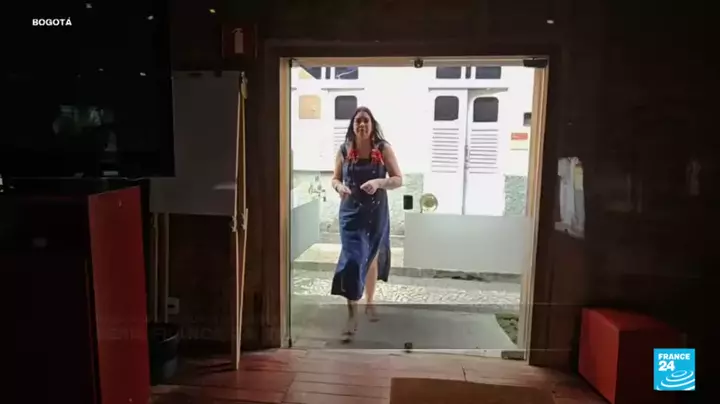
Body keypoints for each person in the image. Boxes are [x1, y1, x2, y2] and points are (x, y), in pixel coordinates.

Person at [330, 106, 403, 341]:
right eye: (358, 121)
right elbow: (335, 178)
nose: (362, 124)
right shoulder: (344, 149)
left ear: (372, 125)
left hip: (374, 212)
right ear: (353, 126)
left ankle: (370, 302)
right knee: (353, 259)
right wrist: (339, 187)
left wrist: (379, 182)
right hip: (350, 213)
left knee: (370, 258)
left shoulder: (383, 148)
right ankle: (352, 314)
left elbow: (398, 179)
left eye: (366, 121)